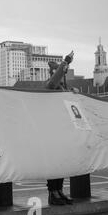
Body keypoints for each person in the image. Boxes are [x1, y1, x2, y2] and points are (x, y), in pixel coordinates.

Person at [45, 51, 75, 206]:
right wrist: (66, 62)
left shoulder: (63, 88)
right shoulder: (50, 86)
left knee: (62, 163)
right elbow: (54, 81)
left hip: (63, 129)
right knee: (54, 163)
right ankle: (53, 192)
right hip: (53, 130)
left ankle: (60, 190)